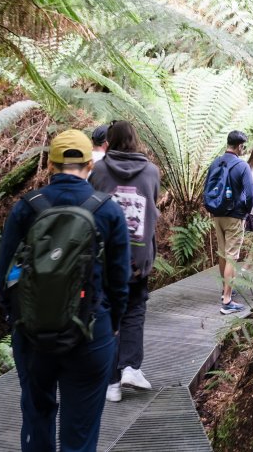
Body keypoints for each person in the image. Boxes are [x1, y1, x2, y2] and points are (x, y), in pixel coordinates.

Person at [0, 129, 130, 452]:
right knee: (79, 435)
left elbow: (4, 277)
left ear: (52, 165)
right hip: (91, 335)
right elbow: (120, 282)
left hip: (33, 336)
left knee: (37, 418)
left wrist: (16, 317)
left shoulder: (27, 208)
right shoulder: (108, 211)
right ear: (89, 165)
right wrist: (111, 325)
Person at [88, 121, 161, 404]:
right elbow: (151, 203)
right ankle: (131, 367)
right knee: (134, 309)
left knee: (108, 315)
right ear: (135, 139)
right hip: (139, 255)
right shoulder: (152, 171)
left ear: (109, 142)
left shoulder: (98, 170)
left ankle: (112, 383)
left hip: (106, 256)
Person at [204, 130, 253, 314]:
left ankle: (224, 291)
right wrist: (245, 211)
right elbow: (250, 194)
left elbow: (207, 187)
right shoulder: (242, 166)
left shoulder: (216, 162)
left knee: (223, 254)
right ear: (240, 146)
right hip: (235, 216)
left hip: (217, 215)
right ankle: (227, 300)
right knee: (232, 256)